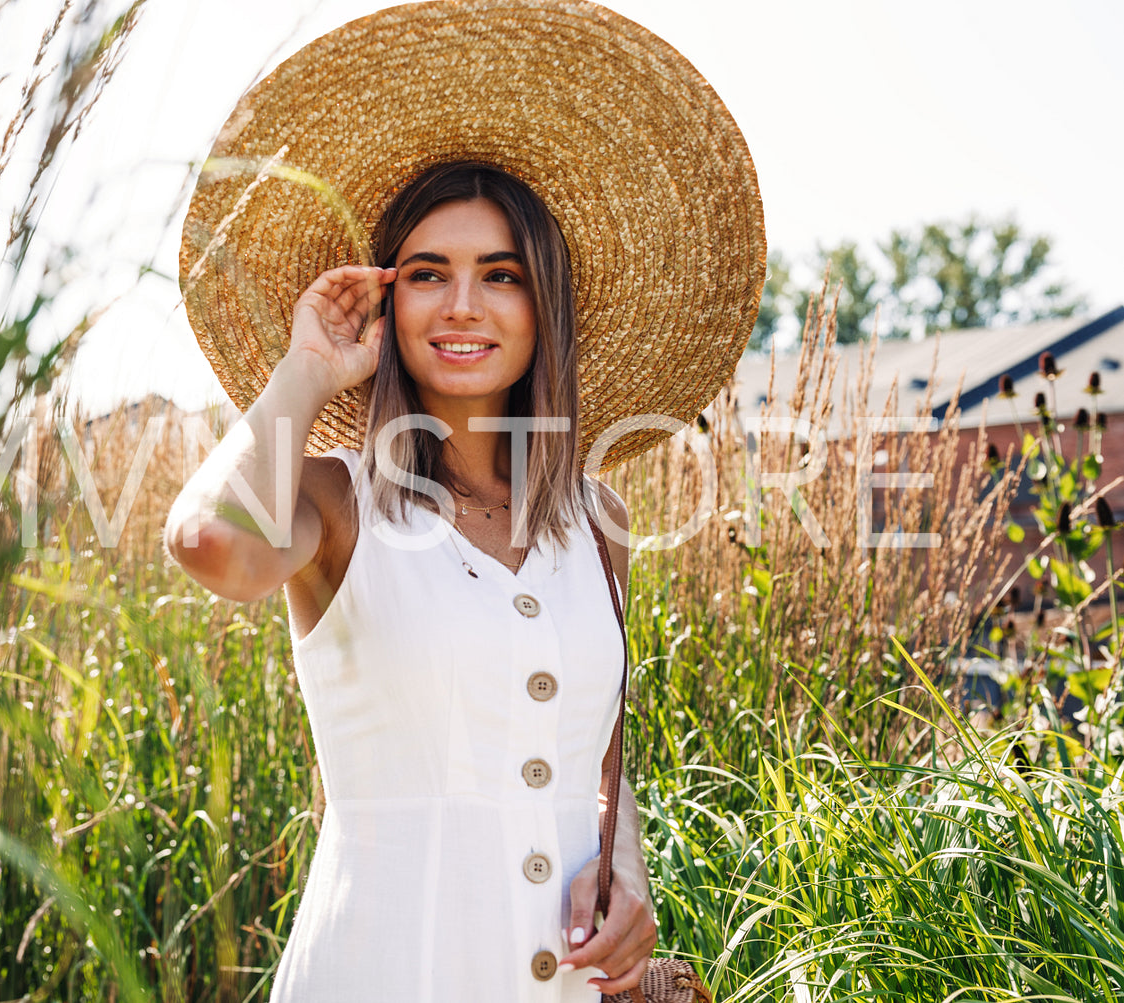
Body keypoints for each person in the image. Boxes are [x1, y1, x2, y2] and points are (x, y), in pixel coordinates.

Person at [167, 3, 764, 999]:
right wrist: (306, 371)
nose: (460, 305)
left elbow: (600, 768)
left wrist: (626, 881)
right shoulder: (334, 499)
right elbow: (209, 548)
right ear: (385, 303)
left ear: (544, 305)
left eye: (500, 275)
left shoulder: (598, 521)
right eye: (425, 275)